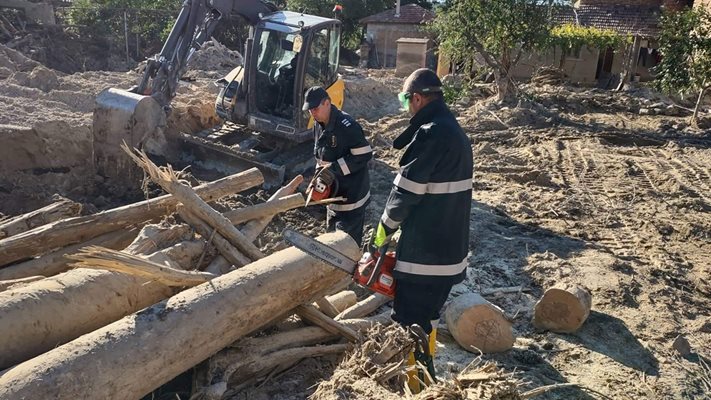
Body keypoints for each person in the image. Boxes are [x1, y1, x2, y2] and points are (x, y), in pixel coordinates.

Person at [372, 68, 473, 392]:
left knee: (407, 324)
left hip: (423, 258)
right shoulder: (454, 132)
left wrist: (382, 232)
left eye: (406, 100)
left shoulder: (431, 134)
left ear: (416, 98)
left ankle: (415, 388)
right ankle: (428, 383)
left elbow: (404, 194)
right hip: (449, 255)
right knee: (426, 321)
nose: (406, 107)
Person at [303, 86, 372, 246]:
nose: (312, 113)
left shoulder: (347, 126)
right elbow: (321, 158)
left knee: (347, 245)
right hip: (333, 196)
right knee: (331, 242)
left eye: (315, 108)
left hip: (351, 196)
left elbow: (364, 155)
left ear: (327, 103)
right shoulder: (318, 125)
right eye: (309, 110)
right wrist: (318, 180)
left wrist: (333, 170)